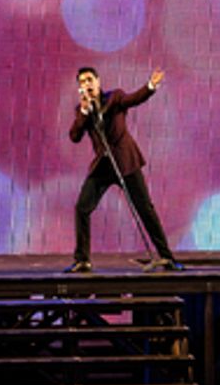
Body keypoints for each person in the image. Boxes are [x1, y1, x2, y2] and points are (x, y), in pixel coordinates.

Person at [66, 66, 182, 273]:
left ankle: (167, 257)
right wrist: (84, 111)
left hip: (126, 162)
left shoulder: (114, 98)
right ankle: (82, 260)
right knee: (82, 208)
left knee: (145, 209)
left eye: (90, 79)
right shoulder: (82, 110)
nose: (87, 84)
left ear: (98, 82)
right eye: (82, 82)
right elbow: (74, 136)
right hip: (103, 166)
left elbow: (134, 99)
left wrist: (151, 86)